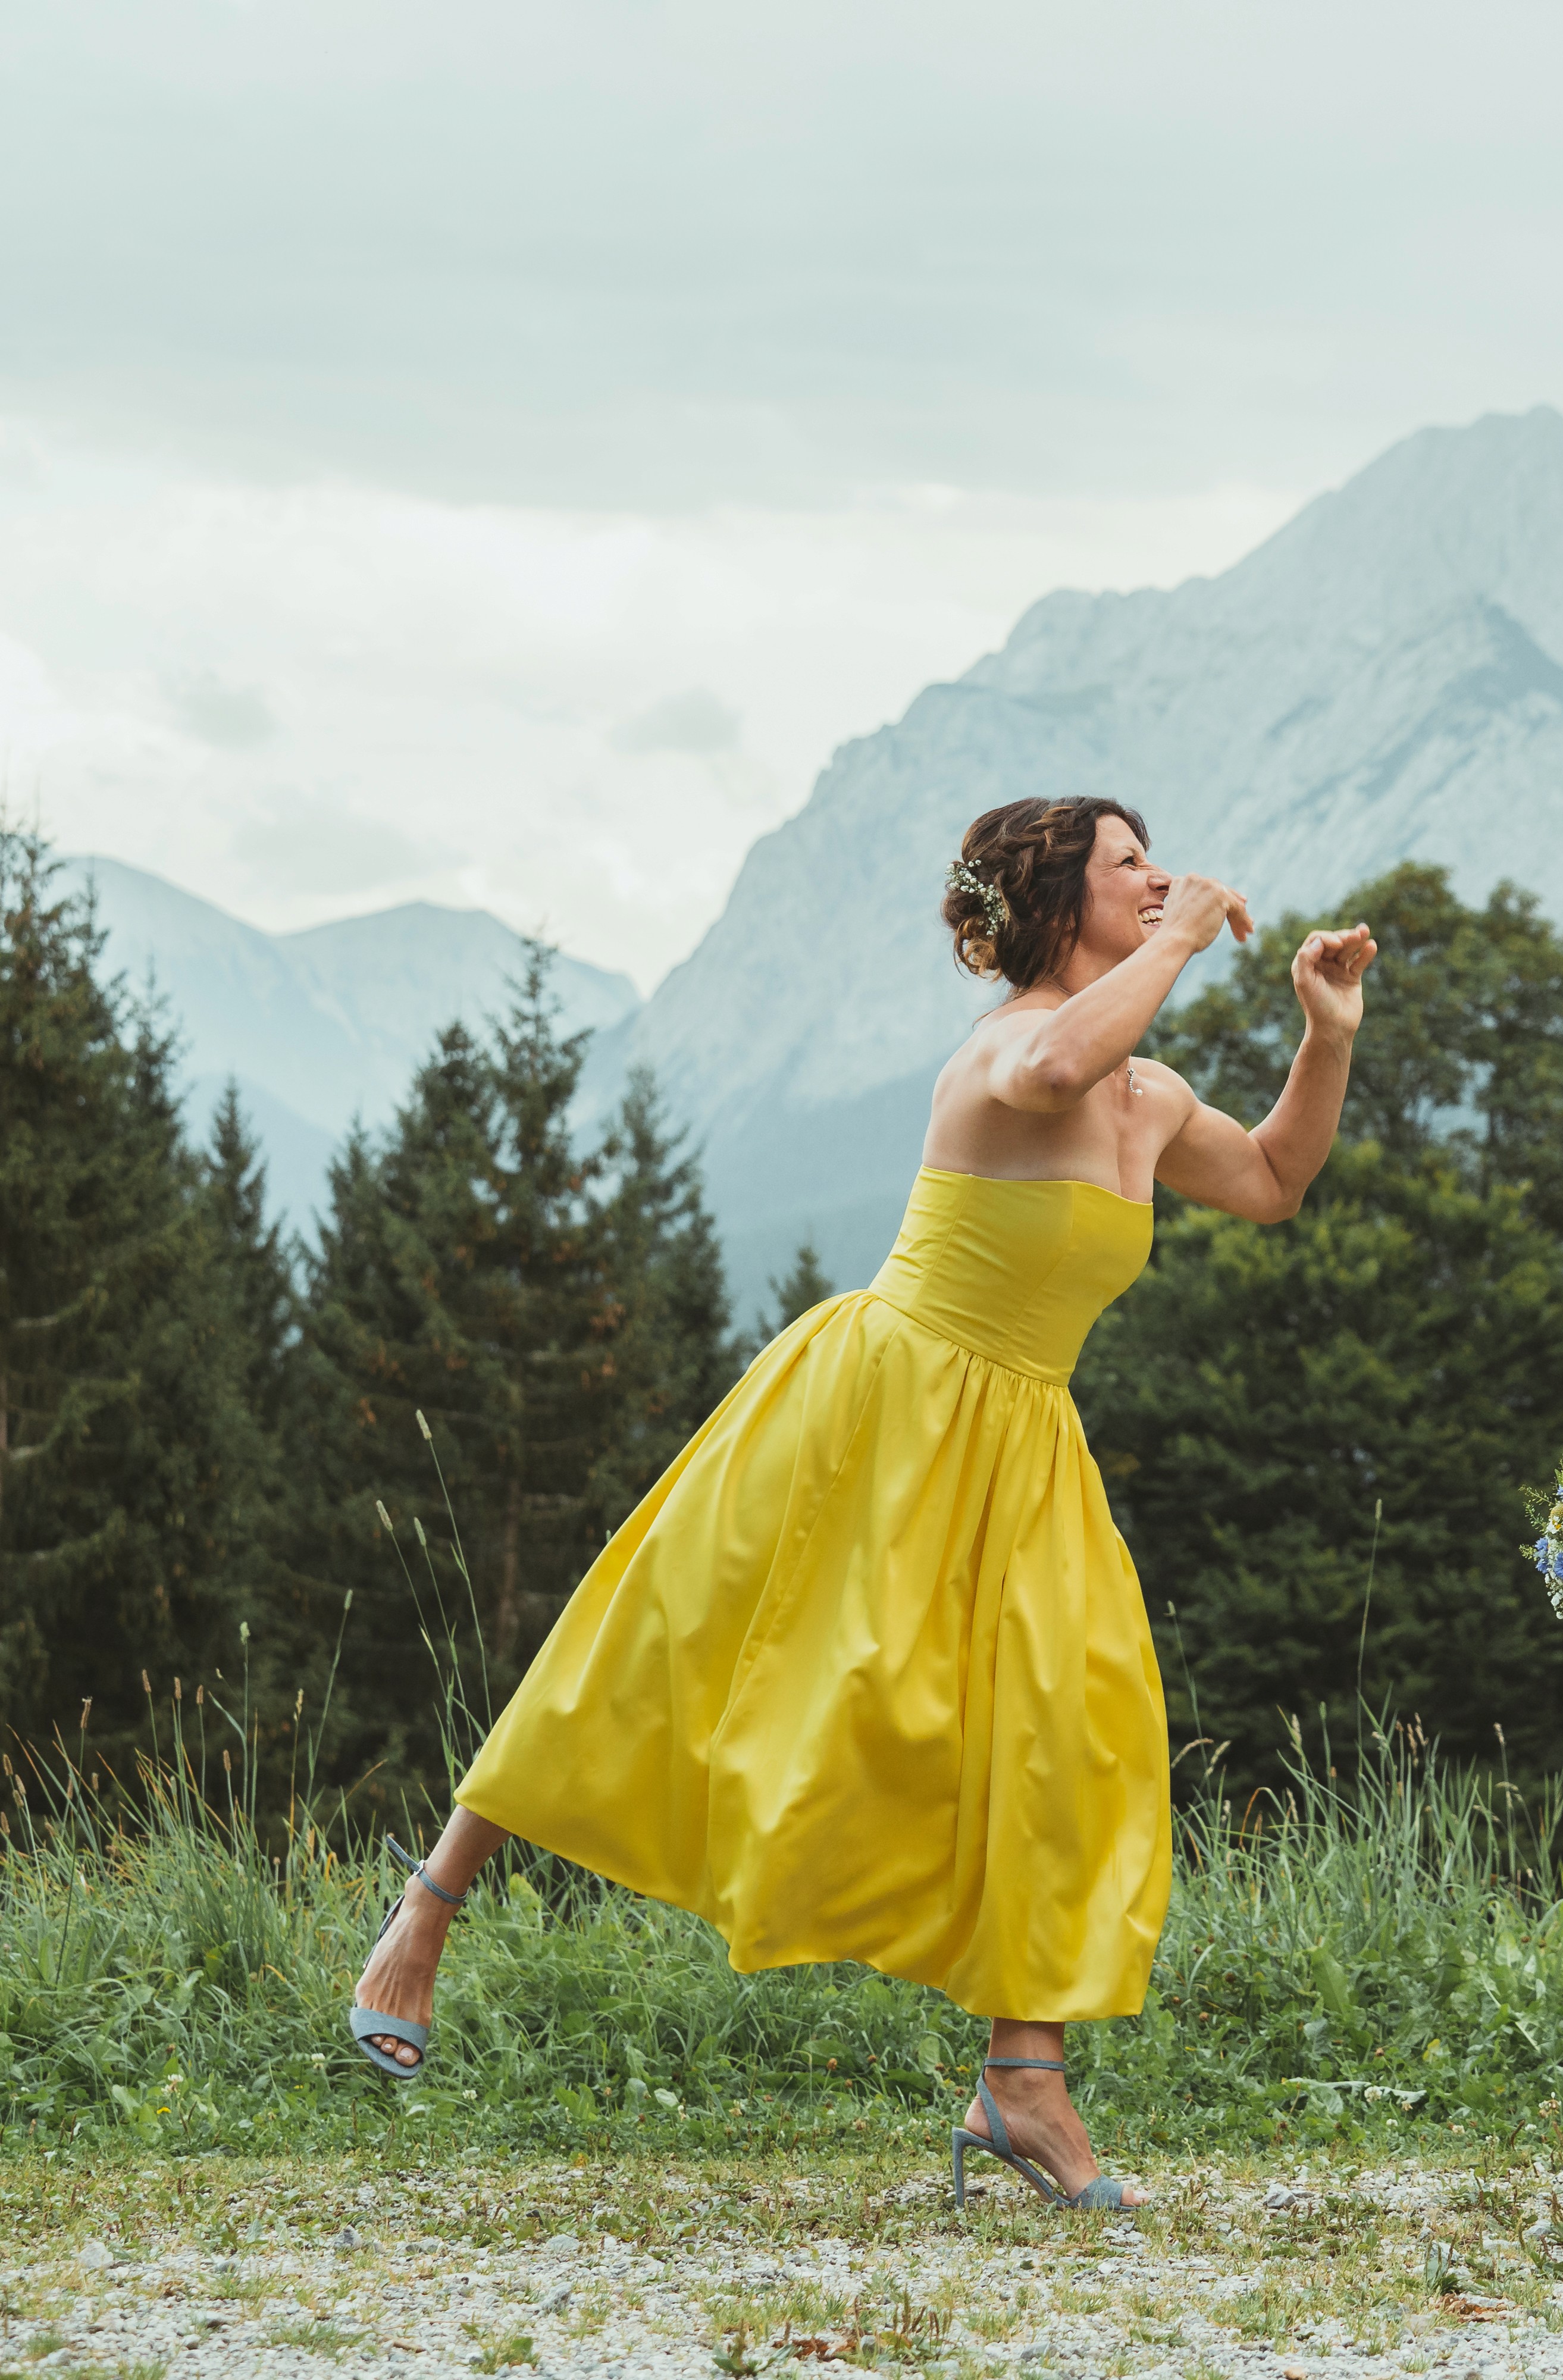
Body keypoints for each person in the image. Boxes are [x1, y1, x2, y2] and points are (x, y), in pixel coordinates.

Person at [344, 797, 1377, 2213]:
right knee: (663, 1644)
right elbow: (1064, 1056)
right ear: (1058, 902)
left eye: (1158, 862)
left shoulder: (1151, 1099)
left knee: (1074, 1734)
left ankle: (1024, 2076)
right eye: (1127, 862)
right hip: (877, 1402)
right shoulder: (1018, 1042)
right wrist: (1191, 935)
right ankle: (433, 1899)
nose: (1156, 876)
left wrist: (1327, 1033)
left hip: (1024, 1440)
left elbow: (1272, 1179)